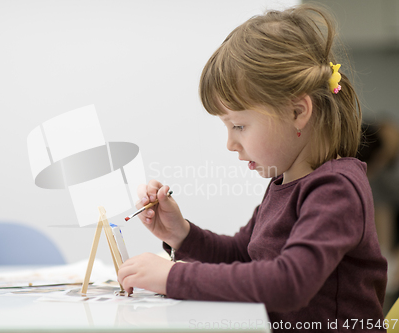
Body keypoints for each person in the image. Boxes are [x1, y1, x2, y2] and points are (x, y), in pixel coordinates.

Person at [117, 4, 387, 332]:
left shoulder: (336, 190)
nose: (230, 143)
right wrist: (181, 234)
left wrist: (173, 277)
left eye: (239, 126)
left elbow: (287, 283)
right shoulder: (284, 184)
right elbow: (243, 255)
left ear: (297, 112)